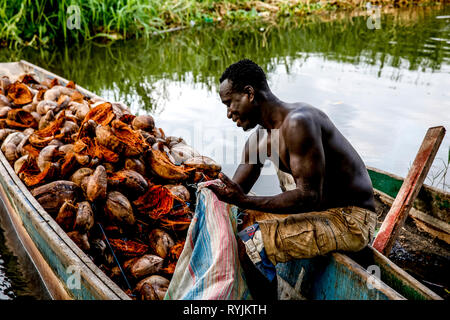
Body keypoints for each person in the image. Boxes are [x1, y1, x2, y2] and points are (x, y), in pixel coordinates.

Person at [206, 59, 377, 300]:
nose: (228, 113)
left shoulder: (298, 122)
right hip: (320, 211)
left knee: (250, 244)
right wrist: (203, 185)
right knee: (240, 219)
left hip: (351, 219)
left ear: (249, 93)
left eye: (229, 103)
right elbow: (236, 191)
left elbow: (308, 197)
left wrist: (244, 200)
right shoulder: (259, 139)